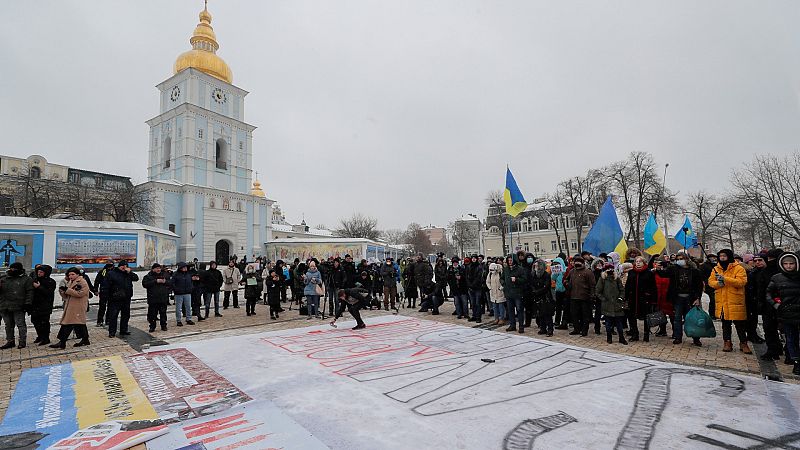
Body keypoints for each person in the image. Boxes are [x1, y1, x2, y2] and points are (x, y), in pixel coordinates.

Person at [708, 249, 752, 354]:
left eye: (724, 256)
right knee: (725, 324)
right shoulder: (715, 268)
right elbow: (710, 282)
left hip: (735, 300)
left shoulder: (738, 268)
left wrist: (726, 279)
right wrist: (719, 284)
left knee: (740, 324)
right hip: (722, 301)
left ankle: (743, 343)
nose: (722, 258)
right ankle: (727, 342)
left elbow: (741, 282)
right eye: (720, 256)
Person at [658, 252, 704, 346]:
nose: (679, 261)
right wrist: (658, 269)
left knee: (692, 319)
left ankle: (696, 338)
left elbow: (698, 286)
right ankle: (678, 337)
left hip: (690, 298)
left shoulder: (694, 271)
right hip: (678, 298)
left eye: (681, 258)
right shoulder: (674, 269)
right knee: (677, 318)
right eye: (677, 259)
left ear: (687, 259)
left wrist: (697, 298)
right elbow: (664, 274)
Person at [766, 252, 800, 375]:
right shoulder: (777, 278)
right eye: (786, 264)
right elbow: (769, 293)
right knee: (791, 339)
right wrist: (776, 305)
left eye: (791, 263)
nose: (789, 266)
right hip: (787, 313)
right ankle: (796, 362)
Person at [51, 267, 90, 349]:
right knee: (79, 323)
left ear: (78, 274)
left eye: (73, 274)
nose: (71, 276)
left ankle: (62, 342)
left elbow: (80, 293)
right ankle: (85, 339)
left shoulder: (82, 282)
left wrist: (67, 290)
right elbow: (67, 295)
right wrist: (62, 291)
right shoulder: (70, 282)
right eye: (69, 275)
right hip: (71, 306)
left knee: (68, 323)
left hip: (78, 306)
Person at [0, 262, 34, 349]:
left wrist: (28, 303)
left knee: (20, 324)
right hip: (5, 305)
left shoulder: (26, 279)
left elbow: (29, 292)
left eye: (15, 269)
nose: (12, 270)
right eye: (11, 268)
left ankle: (22, 341)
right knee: (8, 325)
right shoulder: (4, 278)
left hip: (19, 305)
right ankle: (10, 341)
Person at [758, 249, 784, 360]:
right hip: (769, 305)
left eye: (772, 259)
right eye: (769, 259)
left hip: (783, 304)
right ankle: (774, 349)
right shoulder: (764, 272)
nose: (770, 261)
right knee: (769, 329)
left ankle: (782, 351)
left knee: (784, 329)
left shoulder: (785, 272)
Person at [595, 263, 628, 345]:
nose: (610, 271)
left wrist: (621, 297)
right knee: (608, 323)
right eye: (608, 269)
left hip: (617, 304)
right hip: (607, 304)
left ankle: (621, 338)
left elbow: (622, 289)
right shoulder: (602, 279)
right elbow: (598, 291)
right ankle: (609, 337)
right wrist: (603, 299)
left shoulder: (616, 279)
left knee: (619, 323)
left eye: (611, 269)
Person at [105, 261, 139, 338]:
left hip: (126, 298)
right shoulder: (112, 273)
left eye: (126, 266)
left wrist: (130, 272)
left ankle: (124, 330)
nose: (124, 267)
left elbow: (136, 278)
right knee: (113, 316)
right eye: (123, 266)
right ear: (119, 266)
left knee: (126, 315)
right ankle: (112, 332)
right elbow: (106, 285)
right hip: (115, 299)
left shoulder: (128, 274)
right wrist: (107, 296)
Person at [565, 255, 596, 337]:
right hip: (573, 296)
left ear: (583, 263)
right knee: (574, 314)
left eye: (579, 262)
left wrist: (592, 295)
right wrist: (567, 284)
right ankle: (576, 329)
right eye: (576, 262)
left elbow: (592, 285)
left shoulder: (588, 272)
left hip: (585, 297)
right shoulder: (572, 271)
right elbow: (566, 279)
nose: (577, 264)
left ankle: (584, 330)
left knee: (584, 315)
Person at [30, 264, 56, 345]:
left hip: (45, 305)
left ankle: (45, 338)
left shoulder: (50, 281)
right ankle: (40, 336)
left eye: (41, 272)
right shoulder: (35, 280)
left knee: (44, 322)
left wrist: (39, 287)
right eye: (38, 271)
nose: (39, 273)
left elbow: (49, 293)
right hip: (35, 305)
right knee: (35, 320)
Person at [142, 263, 172, 332]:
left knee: (163, 313)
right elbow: (145, 284)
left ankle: (163, 325)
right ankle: (152, 326)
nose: (158, 269)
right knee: (152, 314)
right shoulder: (148, 276)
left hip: (163, 298)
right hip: (153, 299)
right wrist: (155, 281)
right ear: (153, 269)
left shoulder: (164, 275)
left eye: (159, 268)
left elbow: (170, 283)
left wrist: (165, 282)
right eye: (157, 268)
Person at [503, 255, 528, 333]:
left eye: (511, 260)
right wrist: (504, 283)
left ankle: (521, 326)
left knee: (519, 310)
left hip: (517, 293)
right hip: (508, 292)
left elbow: (524, 279)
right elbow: (502, 278)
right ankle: (512, 325)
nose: (510, 262)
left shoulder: (520, 269)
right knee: (510, 310)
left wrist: (516, 279)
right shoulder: (506, 269)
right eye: (508, 260)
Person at [531, 259, 554, 336]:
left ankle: (550, 329)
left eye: (537, 266)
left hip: (545, 296)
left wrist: (538, 291)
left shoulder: (546, 275)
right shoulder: (534, 274)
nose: (536, 267)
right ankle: (543, 328)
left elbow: (546, 286)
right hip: (537, 296)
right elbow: (532, 284)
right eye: (535, 266)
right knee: (540, 313)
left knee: (547, 314)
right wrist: (534, 291)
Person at [172, 262, 196, 326]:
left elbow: (191, 282)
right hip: (178, 293)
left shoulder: (188, 274)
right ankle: (178, 320)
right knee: (178, 308)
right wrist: (176, 290)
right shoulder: (176, 274)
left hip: (187, 292)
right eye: (184, 267)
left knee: (188, 306)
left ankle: (188, 319)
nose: (185, 268)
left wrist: (191, 288)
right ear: (180, 268)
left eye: (186, 267)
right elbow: (172, 283)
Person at [93, 262, 115, 327]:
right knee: (103, 307)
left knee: (109, 307)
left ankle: (106, 320)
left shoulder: (113, 272)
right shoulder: (103, 272)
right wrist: (95, 290)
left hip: (110, 292)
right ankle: (101, 321)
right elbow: (97, 281)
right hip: (105, 292)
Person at [466, 255, 486, 323]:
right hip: (470, 288)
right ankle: (474, 316)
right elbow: (467, 276)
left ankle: (478, 317)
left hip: (477, 287)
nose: (473, 259)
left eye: (475, 258)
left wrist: (473, 284)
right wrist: (469, 284)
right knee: (473, 303)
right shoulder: (469, 266)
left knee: (478, 303)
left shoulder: (479, 267)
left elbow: (479, 277)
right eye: (472, 258)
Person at [486, 261, 506, 326]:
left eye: (492, 270)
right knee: (495, 307)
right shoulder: (490, 274)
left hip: (500, 292)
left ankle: (502, 318)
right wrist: (490, 288)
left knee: (501, 307)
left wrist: (501, 287)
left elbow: (505, 281)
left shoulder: (501, 272)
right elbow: (488, 282)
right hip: (493, 292)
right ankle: (496, 318)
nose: (491, 271)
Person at [700, 253, 719, 319]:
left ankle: (716, 313)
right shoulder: (704, 266)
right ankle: (712, 314)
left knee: (716, 300)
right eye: (712, 258)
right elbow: (701, 276)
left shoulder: (716, 266)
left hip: (716, 284)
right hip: (708, 285)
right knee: (712, 300)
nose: (714, 259)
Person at [551, 257, 568, 329]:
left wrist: (564, 273)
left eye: (558, 264)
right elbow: (553, 278)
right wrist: (555, 273)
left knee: (565, 307)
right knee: (558, 307)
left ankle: (564, 322)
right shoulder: (556, 271)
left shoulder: (566, 269)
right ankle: (557, 321)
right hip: (558, 291)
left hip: (565, 291)